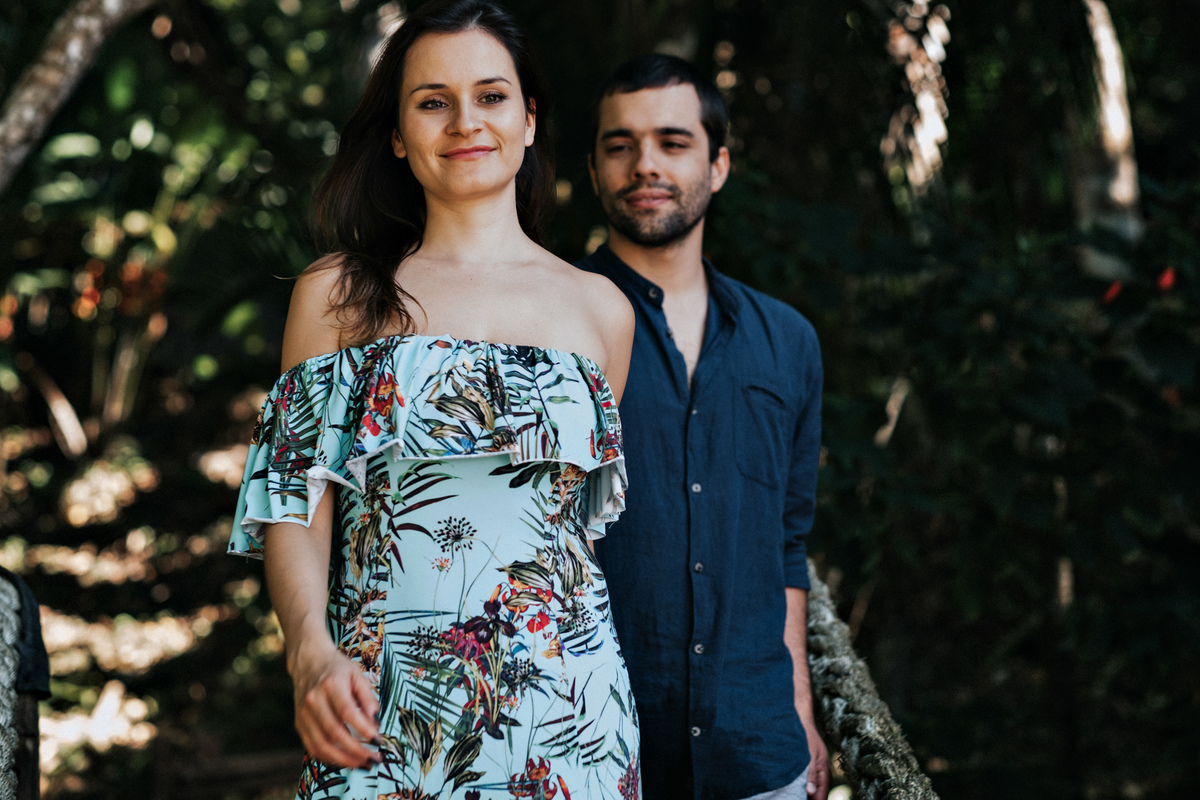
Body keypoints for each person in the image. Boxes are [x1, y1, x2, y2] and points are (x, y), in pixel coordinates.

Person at [228, 3, 640, 798]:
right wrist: (308, 649)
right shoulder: (337, 295)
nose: (464, 122)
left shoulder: (601, 310)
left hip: (571, 717)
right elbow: (292, 504)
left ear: (528, 121)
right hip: (380, 710)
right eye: (431, 101)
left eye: (490, 96)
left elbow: (571, 541)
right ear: (396, 134)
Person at [575, 54, 830, 800]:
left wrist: (802, 711)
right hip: (592, 747)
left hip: (757, 748)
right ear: (593, 170)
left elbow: (787, 543)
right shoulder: (548, 331)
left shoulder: (789, 341)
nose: (644, 164)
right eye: (619, 145)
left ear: (718, 165)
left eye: (673, 142)